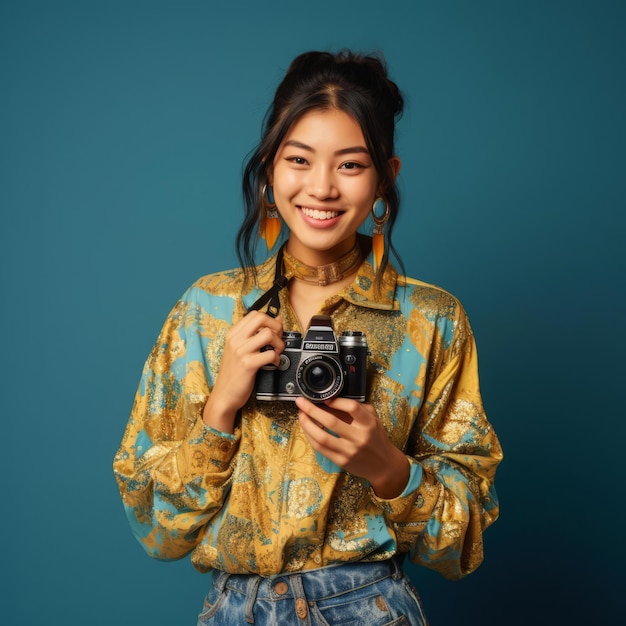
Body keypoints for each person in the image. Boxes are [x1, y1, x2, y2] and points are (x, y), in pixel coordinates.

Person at [113, 50, 502, 625]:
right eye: (299, 159)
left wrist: (392, 471)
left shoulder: (431, 320)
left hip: (369, 608)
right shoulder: (208, 310)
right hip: (234, 610)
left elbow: (463, 543)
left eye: (350, 165)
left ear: (384, 179)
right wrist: (221, 406)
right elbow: (154, 526)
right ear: (270, 168)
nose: (321, 188)